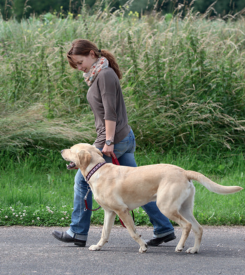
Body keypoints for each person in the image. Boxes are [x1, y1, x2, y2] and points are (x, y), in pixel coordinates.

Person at [52, 39, 176, 247]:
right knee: (141, 186)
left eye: (80, 62)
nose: (79, 67)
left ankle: (77, 232)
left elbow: (111, 112)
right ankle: (164, 228)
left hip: (112, 139)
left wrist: (108, 141)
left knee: (82, 181)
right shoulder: (99, 74)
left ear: (92, 54)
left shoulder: (104, 75)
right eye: (76, 64)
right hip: (122, 137)